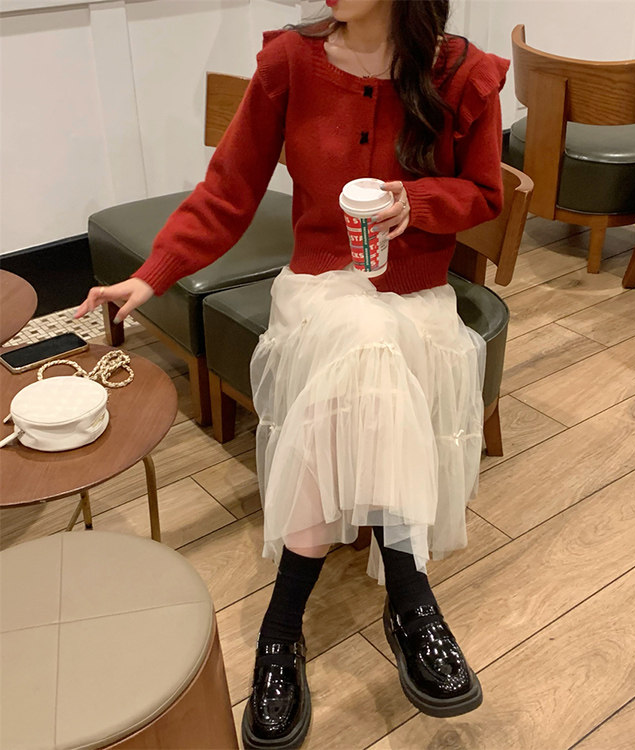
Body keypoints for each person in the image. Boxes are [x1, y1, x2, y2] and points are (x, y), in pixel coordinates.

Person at [76, 0, 508, 747]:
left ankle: (282, 631)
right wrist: (152, 275)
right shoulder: (290, 63)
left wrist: (419, 202)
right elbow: (228, 188)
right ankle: (409, 600)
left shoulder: (462, 74)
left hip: (415, 295)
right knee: (366, 344)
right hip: (319, 288)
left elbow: (487, 195)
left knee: (373, 350)